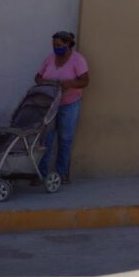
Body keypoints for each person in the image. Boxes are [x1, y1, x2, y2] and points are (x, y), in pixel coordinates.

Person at [36, 30, 89, 183]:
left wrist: (70, 83)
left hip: (69, 105)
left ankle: (62, 174)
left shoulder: (78, 60)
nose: (56, 48)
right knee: (45, 140)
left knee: (65, 139)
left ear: (68, 44)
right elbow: (38, 76)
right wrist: (44, 83)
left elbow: (85, 81)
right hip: (49, 105)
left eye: (59, 45)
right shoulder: (49, 59)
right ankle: (40, 174)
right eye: (54, 45)